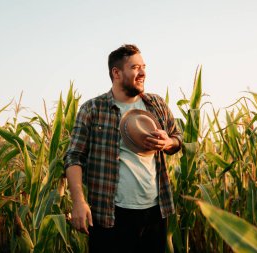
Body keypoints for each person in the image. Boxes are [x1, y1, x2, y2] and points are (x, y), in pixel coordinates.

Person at [64, 44, 182, 253]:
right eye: (135, 67)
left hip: (155, 212)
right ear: (116, 73)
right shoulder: (93, 109)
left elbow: (177, 139)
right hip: (109, 215)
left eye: (144, 67)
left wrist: (168, 142)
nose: (143, 73)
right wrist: (78, 202)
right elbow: (74, 157)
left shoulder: (156, 104)